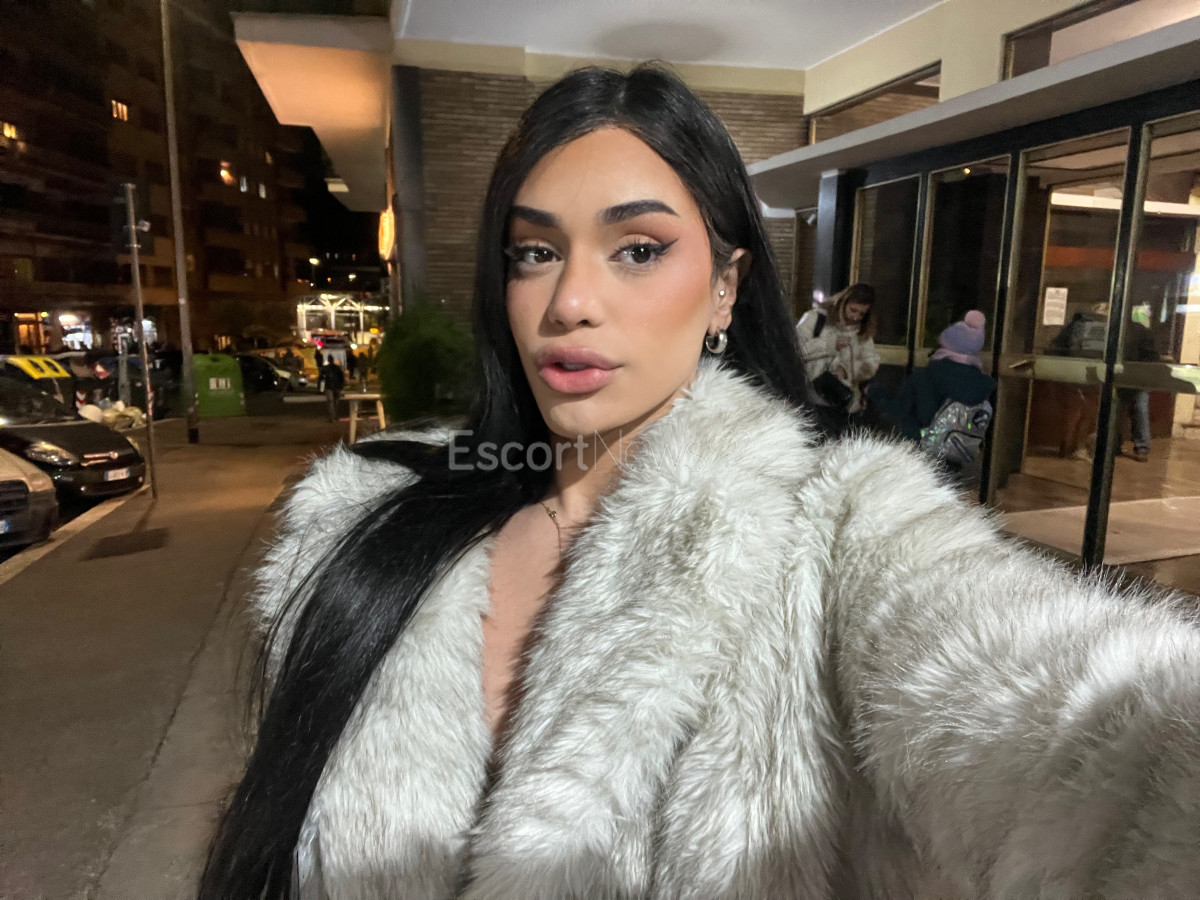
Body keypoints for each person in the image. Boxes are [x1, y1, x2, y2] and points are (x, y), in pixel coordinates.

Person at [200, 65, 1200, 900]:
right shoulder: (374, 524)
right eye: (534, 252)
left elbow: (1070, 719)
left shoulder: (836, 526)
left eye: (638, 250)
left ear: (726, 285)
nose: (570, 300)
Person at [795, 282, 879, 434]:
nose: (855, 317)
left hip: (844, 403)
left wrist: (846, 371)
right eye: (853, 310)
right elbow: (795, 350)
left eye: (861, 314)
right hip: (811, 398)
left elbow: (871, 364)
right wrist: (831, 345)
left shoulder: (862, 332)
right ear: (843, 302)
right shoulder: (815, 318)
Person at [319, 357, 345, 423]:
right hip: (337, 386)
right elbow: (342, 377)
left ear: (328, 360)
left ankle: (332, 417)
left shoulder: (325, 369)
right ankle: (335, 415)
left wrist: (321, 388)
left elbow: (321, 378)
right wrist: (341, 386)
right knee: (336, 402)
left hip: (328, 386)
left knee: (330, 402)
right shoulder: (337, 368)